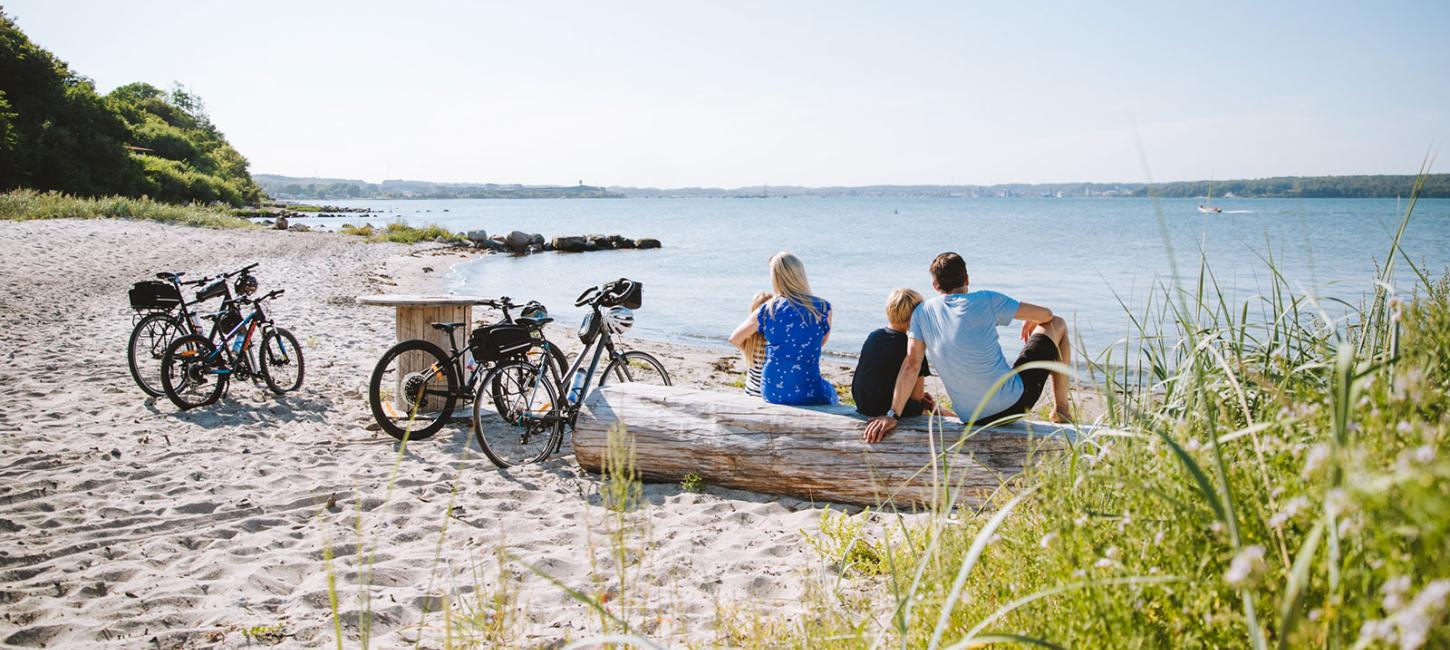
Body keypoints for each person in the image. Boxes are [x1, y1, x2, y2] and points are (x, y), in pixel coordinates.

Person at [863, 252, 1072, 443]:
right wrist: (1032, 319)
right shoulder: (987, 299)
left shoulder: (921, 313)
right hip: (1012, 405)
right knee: (1059, 323)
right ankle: (1062, 411)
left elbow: (911, 364)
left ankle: (1060, 411)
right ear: (967, 279)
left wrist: (892, 415)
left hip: (970, 416)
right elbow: (1048, 315)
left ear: (935, 286)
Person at [729, 252, 837, 405]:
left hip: (771, 390)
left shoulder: (767, 309)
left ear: (775, 278)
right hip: (808, 389)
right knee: (831, 392)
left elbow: (734, 338)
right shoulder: (823, 308)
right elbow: (819, 343)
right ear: (800, 274)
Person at [851, 288, 951, 418]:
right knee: (924, 410)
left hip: (864, 404)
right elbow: (916, 398)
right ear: (916, 316)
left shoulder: (874, 336)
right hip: (888, 410)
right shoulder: (912, 347)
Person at [739, 291, 773, 398]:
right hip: (768, 396)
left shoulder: (748, 341)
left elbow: (734, 339)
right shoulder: (774, 341)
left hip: (749, 394)